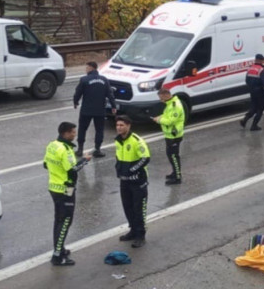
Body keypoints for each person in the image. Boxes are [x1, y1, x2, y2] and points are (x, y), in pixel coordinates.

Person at [44, 122, 90, 266]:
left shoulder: (52, 145)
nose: (74, 134)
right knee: (65, 222)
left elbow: (45, 164)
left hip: (54, 187)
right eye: (72, 132)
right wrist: (85, 160)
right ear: (65, 133)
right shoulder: (65, 149)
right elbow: (73, 170)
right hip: (66, 189)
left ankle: (60, 248)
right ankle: (57, 256)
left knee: (59, 220)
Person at [114, 115, 150, 248]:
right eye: (117, 125)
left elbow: (145, 158)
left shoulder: (136, 140)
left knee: (138, 208)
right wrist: (118, 169)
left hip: (138, 181)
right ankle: (133, 230)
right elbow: (119, 157)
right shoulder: (118, 141)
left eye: (122, 125)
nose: (119, 128)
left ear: (128, 126)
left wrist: (132, 170)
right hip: (124, 181)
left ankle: (140, 235)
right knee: (127, 207)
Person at [73, 61, 116, 158]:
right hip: (100, 110)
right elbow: (110, 94)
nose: (86, 69)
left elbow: (78, 93)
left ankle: (80, 149)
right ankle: (97, 149)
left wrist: (75, 102)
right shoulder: (104, 80)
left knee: (82, 129)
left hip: (86, 110)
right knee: (99, 130)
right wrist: (113, 106)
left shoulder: (84, 79)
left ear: (91, 68)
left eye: (87, 68)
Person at [152, 89, 185, 185]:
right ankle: (175, 172)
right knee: (170, 155)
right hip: (169, 135)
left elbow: (170, 121)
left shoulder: (175, 105)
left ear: (166, 95)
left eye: (161, 98)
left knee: (174, 156)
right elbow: (166, 115)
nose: (160, 100)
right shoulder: (170, 104)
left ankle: (177, 177)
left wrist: (159, 120)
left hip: (174, 135)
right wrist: (160, 116)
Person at [240, 54, 264, 131]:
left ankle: (244, 120)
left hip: (252, 92)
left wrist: (251, 88)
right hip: (261, 93)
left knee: (253, 107)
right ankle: (254, 125)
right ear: (261, 60)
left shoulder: (250, 68)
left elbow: (247, 80)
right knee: (260, 109)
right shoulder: (262, 70)